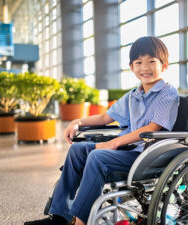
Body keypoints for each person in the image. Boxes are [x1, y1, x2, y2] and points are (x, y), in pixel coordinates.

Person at [24, 36, 179, 225]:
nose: (145, 67)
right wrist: (77, 121)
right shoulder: (134, 95)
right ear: (132, 67)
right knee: (77, 150)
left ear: (164, 65)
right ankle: (59, 217)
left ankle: (80, 222)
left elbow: (152, 128)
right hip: (127, 152)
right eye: (139, 62)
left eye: (151, 61)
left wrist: (112, 143)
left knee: (98, 157)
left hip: (147, 157)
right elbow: (105, 118)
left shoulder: (168, 93)